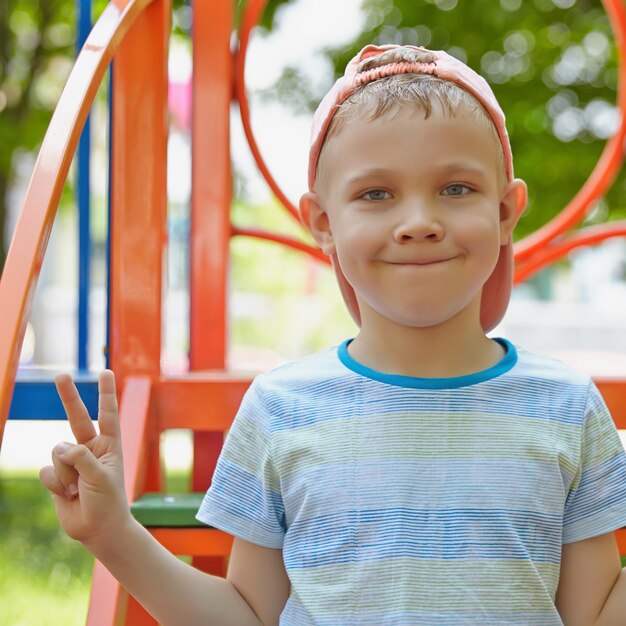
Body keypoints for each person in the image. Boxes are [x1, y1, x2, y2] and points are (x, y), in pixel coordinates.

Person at [41, 44, 626, 625]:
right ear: (322, 223)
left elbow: (593, 616)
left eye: (455, 189)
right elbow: (247, 617)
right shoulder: (280, 409)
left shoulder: (567, 408)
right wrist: (113, 535)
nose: (418, 222)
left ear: (505, 212)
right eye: (376, 194)